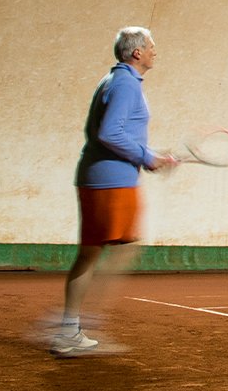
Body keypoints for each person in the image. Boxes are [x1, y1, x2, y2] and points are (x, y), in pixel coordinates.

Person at [47, 27, 175, 355]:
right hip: (112, 181)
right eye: (151, 46)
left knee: (94, 252)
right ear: (137, 53)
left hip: (101, 177)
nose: (154, 52)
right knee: (120, 249)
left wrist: (150, 156)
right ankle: (73, 325)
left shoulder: (113, 80)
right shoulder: (125, 84)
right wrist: (147, 157)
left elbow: (110, 133)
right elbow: (110, 133)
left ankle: (69, 326)